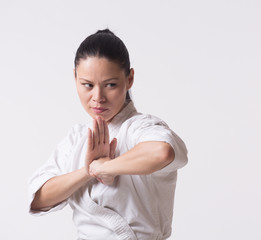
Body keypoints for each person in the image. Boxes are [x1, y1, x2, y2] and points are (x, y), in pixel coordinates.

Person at [28, 29, 188, 240]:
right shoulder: (76, 138)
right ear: (75, 78)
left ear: (129, 79)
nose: (98, 97)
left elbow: (162, 152)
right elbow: (39, 198)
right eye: (87, 85)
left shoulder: (141, 127)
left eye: (110, 85)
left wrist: (106, 166)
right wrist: (88, 171)